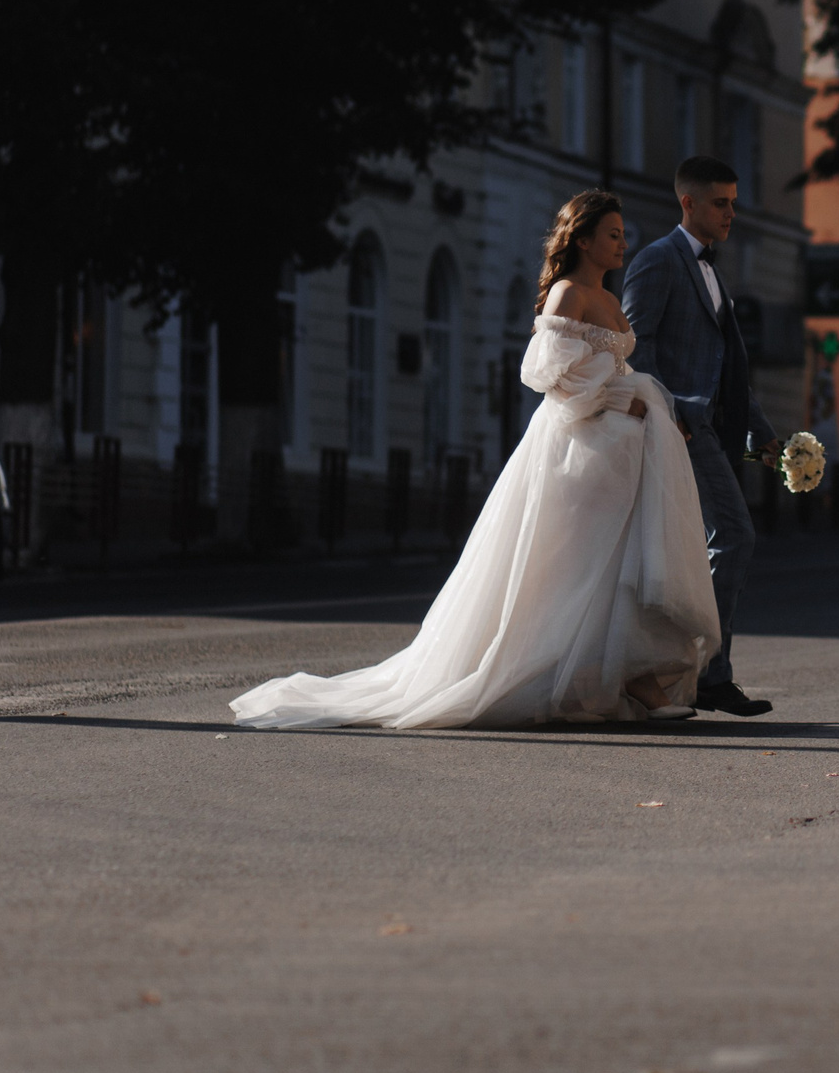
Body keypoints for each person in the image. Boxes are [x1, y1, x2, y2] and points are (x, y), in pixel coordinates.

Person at [228, 192, 719, 729]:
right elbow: (552, 379)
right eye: (613, 235)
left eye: (623, 235)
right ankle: (608, 680)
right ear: (583, 240)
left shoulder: (607, 295)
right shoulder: (567, 294)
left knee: (617, 564)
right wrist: (623, 402)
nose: (623, 244)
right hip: (578, 451)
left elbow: (607, 369)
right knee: (581, 567)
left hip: (618, 454)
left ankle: (623, 677)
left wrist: (643, 406)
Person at [623, 156, 781, 718]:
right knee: (733, 535)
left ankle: (684, 670)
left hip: (713, 429)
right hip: (683, 429)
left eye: (734, 202)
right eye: (720, 203)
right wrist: (674, 414)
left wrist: (763, 434)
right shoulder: (657, 260)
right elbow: (635, 348)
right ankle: (709, 674)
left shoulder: (713, 270)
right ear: (688, 203)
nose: (731, 213)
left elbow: (726, 367)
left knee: (697, 550)